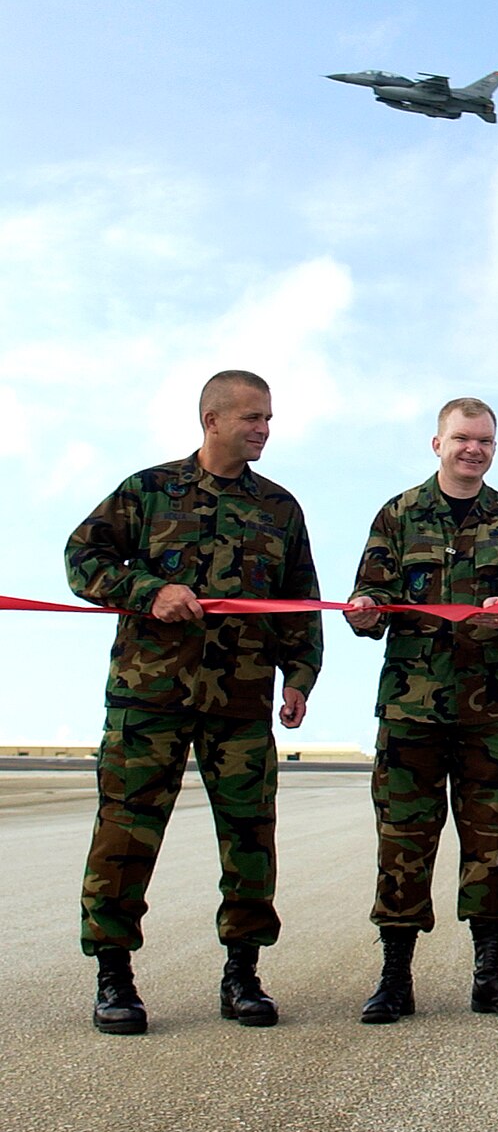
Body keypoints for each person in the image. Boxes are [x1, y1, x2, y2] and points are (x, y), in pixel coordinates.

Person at [66, 370, 322, 1034]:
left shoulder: (280, 509)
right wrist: (147, 589)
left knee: (249, 838)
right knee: (124, 834)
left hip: (239, 702)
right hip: (147, 697)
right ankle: (114, 976)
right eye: (252, 417)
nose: (264, 429)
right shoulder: (148, 492)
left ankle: (243, 974)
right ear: (211, 420)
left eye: (268, 418)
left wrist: (299, 675)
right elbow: (83, 560)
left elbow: (300, 601)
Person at [345, 397, 498, 1025]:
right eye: (463, 438)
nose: (474, 450)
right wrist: (366, 610)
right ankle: (395, 978)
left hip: (490, 712)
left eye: (485, 441)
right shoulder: (399, 515)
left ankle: (491, 975)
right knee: (402, 841)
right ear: (437, 443)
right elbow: (371, 596)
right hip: (411, 711)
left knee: (490, 843)